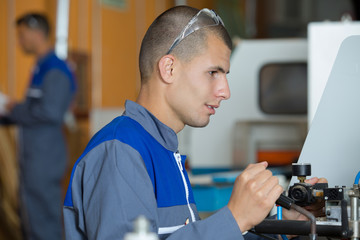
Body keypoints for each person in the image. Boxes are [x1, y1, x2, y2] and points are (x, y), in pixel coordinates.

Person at [63, 6, 324, 239]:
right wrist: (233, 219)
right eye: (213, 72)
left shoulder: (163, 151)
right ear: (169, 69)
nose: (225, 91)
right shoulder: (120, 151)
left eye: (225, 75)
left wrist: (282, 227)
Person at [0, 13, 76, 240]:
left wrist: (14, 108)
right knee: (33, 221)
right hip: (35, 160)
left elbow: (50, 112)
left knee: (43, 223)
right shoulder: (41, 68)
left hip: (44, 161)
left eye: (22, 34)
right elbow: (34, 111)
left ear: (37, 32)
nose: (19, 40)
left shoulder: (55, 69)